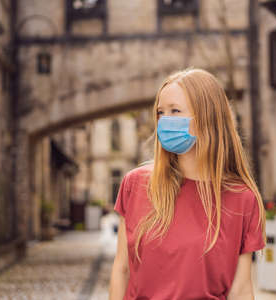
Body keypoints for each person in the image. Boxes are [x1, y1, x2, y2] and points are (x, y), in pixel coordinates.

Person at [109, 68, 266, 300]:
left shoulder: (242, 198)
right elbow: (121, 270)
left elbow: (241, 288)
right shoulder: (136, 185)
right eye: (160, 112)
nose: (165, 121)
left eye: (175, 111)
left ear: (207, 117)